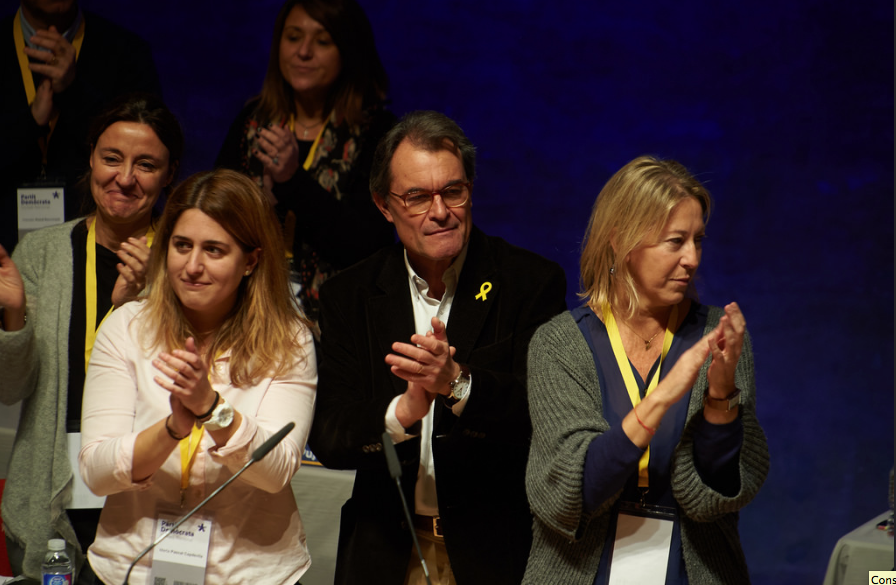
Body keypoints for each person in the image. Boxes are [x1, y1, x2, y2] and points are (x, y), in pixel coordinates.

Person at [308, 110, 567, 585]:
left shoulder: (529, 283)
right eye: (417, 197)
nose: (441, 211)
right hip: (385, 551)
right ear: (384, 206)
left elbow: (545, 419)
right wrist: (402, 413)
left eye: (453, 191)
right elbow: (330, 436)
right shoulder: (351, 294)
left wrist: (458, 384)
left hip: (492, 553)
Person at [523, 156, 770, 584]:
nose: (692, 258)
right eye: (675, 241)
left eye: (698, 240)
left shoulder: (720, 337)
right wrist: (662, 397)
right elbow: (573, 493)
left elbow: (716, 497)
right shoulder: (559, 345)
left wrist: (720, 397)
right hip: (582, 570)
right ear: (620, 241)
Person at [78, 168, 317, 585]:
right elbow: (96, 474)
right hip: (130, 568)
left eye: (214, 250)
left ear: (251, 261)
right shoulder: (127, 327)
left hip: (249, 573)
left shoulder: (289, 339)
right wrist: (172, 428)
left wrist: (211, 408)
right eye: (181, 245)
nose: (192, 266)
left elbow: (276, 470)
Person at [0, 93, 182, 582]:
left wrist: (143, 303)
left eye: (146, 164)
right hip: (50, 477)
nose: (125, 178)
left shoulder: (185, 261)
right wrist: (13, 314)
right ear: (90, 159)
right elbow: (10, 388)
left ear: (169, 175)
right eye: (112, 158)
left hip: (146, 479)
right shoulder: (41, 252)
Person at [216, 0, 395, 324]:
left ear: (349, 50)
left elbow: (369, 247)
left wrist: (291, 181)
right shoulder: (251, 121)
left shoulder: (376, 132)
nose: (304, 52)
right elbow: (213, 215)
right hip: (247, 304)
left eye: (322, 41)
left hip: (335, 317)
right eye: (294, 37)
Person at [0, 0, 162, 253]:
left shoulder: (126, 51)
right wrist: (30, 121)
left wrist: (74, 91)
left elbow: (148, 152)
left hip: (101, 246)